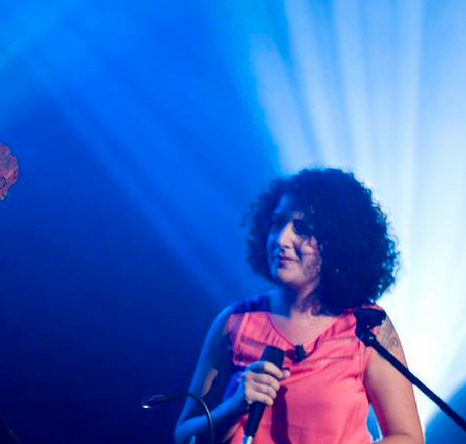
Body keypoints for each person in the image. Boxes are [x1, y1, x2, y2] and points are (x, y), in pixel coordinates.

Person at [174, 168, 423, 444]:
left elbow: (408, 437)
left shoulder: (368, 325)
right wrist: (234, 406)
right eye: (277, 223)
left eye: (303, 229)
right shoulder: (234, 323)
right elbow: (185, 436)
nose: (281, 239)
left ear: (338, 240)